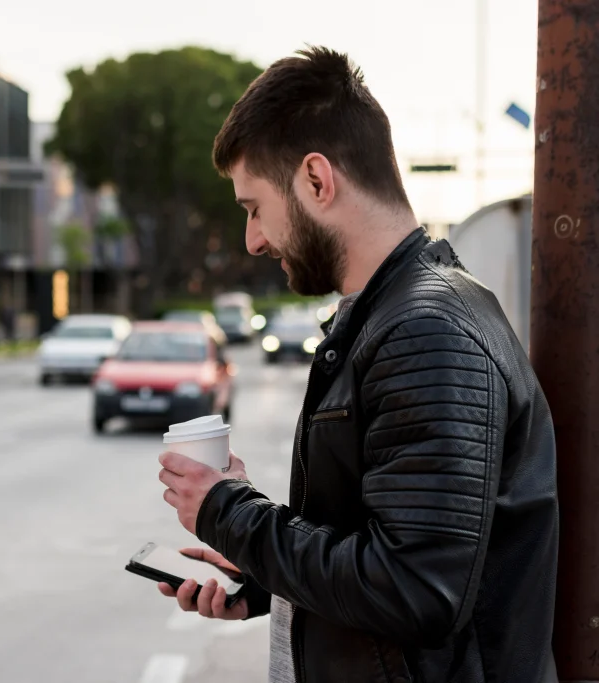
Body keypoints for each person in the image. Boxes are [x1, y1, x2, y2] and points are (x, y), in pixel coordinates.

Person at [156, 47, 558, 682]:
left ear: (317, 180)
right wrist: (263, 576)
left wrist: (229, 512)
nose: (253, 239)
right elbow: (384, 547)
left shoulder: (426, 332)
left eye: (254, 207)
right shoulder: (391, 316)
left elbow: (417, 592)